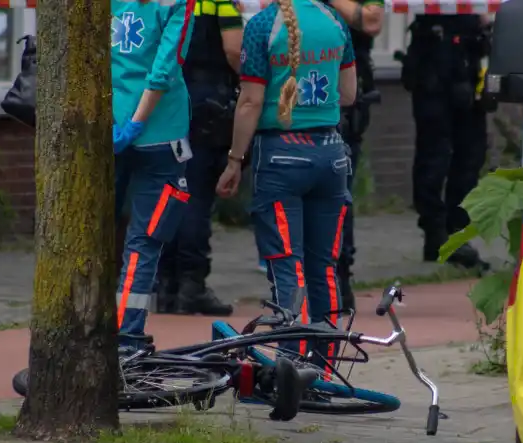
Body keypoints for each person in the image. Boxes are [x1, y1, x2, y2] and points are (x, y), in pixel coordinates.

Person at [216, 0, 356, 358]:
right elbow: (350, 94)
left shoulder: (262, 25)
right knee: (324, 267)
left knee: (287, 265)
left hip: (281, 157)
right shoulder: (335, 21)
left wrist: (234, 160)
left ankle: (292, 365)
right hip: (331, 154)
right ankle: (325, 368)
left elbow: (250, 101)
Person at [112, 0, 196, 346]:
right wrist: (137, 123)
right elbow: (164, 71)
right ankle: (126, 337)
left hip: (109, 129)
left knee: (93, 232)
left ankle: (87, 328)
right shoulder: (179, 4)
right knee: (143, 245)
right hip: (161, 136)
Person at [155, 0, 241, 317]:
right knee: (195, 193)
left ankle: (165, 285)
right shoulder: (220, 2)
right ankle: (191, 287)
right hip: (205, 100)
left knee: (167, 191)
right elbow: (234, 49)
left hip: (165, 96)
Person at [401, 13, 492, 271]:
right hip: (434, 52)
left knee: (471, 153)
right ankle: (435, 233)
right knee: (434, 155)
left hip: (469, 55)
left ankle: (456, 232)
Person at [329, 0, 383, 311]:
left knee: (339, 192)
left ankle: (340, 276)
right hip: (303, 92)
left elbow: (372, 20)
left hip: (347, 94)